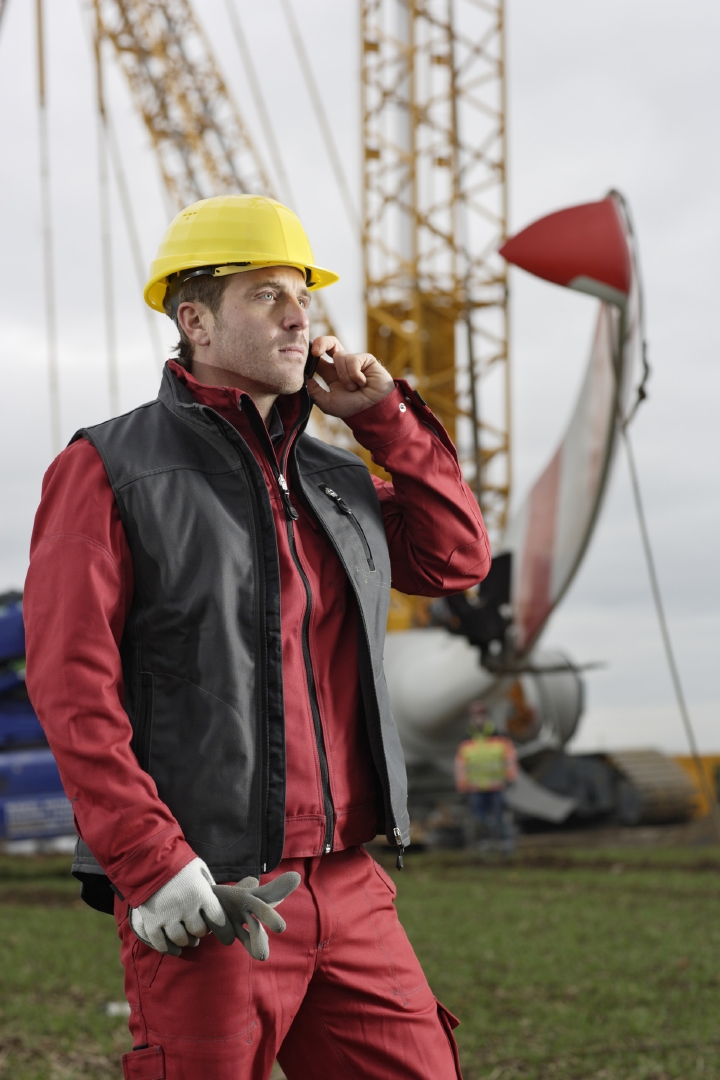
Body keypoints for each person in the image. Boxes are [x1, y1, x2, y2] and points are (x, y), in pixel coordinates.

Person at [24, 194, 491, 1080]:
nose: (297, 316)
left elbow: (456, 555)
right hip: (211, 888)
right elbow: (72, 688)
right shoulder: (109, 469)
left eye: (302, 296)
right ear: (194, 320)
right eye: (266, 294)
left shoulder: (334, 477)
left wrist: (384, 416)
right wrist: (152, 865)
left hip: (349, 883)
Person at [455, 716, 518, 851]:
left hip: (496, 787)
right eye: (476, 715)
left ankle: (504, 845)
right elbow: (461, 767)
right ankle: (483, 845)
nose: (479, 719)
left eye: (481, 714)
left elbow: (509, 760)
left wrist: (510, 778)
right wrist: (463, 786)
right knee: (479, 819)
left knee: (500, 817)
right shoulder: (466, 742)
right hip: (476, 788)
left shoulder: (500, 739)